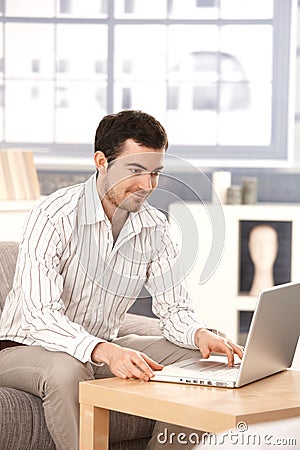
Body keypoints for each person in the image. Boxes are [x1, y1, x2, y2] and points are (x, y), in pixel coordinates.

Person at [0, 110, 243, 450]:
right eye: (135, 170)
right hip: (24, 349)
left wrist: (198, 333)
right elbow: (39, 315)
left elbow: (174, 310)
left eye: (155, 172)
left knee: (201, 362)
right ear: (101, 161)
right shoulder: (53, 215)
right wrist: (104, 351)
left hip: (98, 349)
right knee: (67, 370)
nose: (147, 186)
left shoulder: (155, 228)